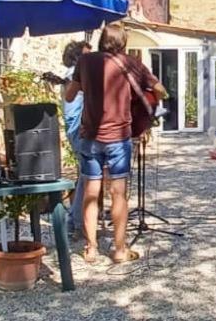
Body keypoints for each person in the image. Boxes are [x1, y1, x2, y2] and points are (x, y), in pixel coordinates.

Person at [66, 21, 165, 264]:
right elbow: (161, 90)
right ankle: (120, 250)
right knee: (118, 193)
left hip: (90, 137)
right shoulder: (132, 63)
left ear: (101, 39)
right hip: (119, 137)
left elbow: (69, 95)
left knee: (91, 192)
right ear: (123, 42)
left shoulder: (85, 62)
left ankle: (90, 249)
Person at [60, 38, 91, 236]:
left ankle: (76, 218)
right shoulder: (75, 75)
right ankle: (75, 221)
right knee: (88, 176)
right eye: (89, 53)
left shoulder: (71, 75)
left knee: (86, 175)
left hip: (76, 129)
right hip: (79, 130)